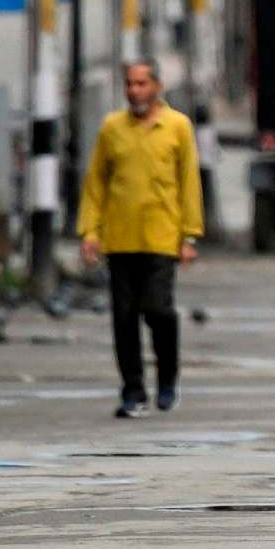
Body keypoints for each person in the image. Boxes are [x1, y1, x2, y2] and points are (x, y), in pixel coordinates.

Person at [77, 58, 202, 419]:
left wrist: (189, 235)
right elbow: (96, 183)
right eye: (130, 84)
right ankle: (133, 390)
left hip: (163, 236)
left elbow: (189, 183)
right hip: (120, 238)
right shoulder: (112, 128)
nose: (135, 91)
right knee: (124, 317)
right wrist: (90, 232)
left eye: (141, 84)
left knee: (158, 309)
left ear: (156, 87)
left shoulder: (177, 126)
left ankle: (167, 378)